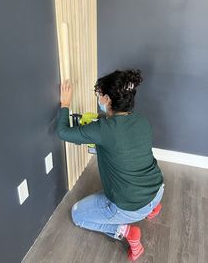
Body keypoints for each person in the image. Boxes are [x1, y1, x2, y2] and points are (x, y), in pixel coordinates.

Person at [57, 69, 164, 261]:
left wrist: (65, 104)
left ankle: (127, 232)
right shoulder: (141, 121)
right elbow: (118, 138)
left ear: (107, 99)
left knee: (78, 215)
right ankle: (153, 208)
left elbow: (63, 132)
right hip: (157, 189)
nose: (98, 98)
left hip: (130, 205)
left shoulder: (103, 129)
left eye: (99, 95)